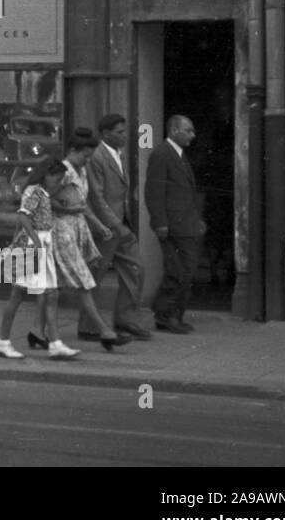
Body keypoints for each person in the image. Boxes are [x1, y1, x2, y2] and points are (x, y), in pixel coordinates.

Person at [27, 130, 131, 352]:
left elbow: (83, 204)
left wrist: (99, 226)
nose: (87, 160)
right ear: (73, 150)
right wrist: (65, 207)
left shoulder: (81, 171)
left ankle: (37, 330)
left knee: (52, 284)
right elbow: (43, 196)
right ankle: (104, 331)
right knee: (83, 280)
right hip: (60, 231)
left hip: (75, 231)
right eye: (84, 156)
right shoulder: (63, 172)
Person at [80, 113, 150, 340]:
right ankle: (88, 326)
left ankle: (125, 319)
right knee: (96, 275)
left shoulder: (118, 154)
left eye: (124, 131)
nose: (124, 137)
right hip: (106, 227)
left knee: (136, 267)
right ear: (105, 134)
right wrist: (114, 225)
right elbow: (97, 197)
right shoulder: (97, 157)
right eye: (119, 133)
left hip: (120, 223)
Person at [0, 159, 74, 359]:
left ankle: (55, 343)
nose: (58, 183)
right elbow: (23, 216)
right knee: (19, 295)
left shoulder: (40, 193)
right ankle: (3, 341)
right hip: (34, 245)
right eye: (57, 178)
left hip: (39, 243)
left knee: (50, 294)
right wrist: (36, 242)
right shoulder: (35, 191)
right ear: (46, 175)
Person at [146, 115, 205, 334]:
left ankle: (174, 314)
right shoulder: (162, 154)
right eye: (188, 131)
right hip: (173, 225)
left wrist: (196, 220)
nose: (192, 135)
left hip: (185, 224)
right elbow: (154, 192)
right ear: (174, 131)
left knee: (186, 270)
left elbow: (185, 193)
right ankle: (165, 315)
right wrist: (160, 223)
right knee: (177, 271)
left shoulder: (178, 155)